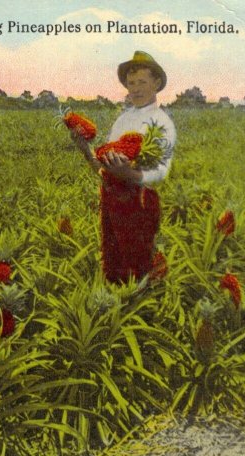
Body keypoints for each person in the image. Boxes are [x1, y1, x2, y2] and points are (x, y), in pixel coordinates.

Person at [71, 51, 176, 283]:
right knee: (112, 264)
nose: (135, 89)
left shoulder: (162, 123)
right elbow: (103, 167)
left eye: (142, 82)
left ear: (157, 83)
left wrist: (127, 173)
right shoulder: (123, 120)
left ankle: (143, 312)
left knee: (138, 268)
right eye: (131, 83)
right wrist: (85, 148)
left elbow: (159, 174)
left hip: (139, 202)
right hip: (111, 200)